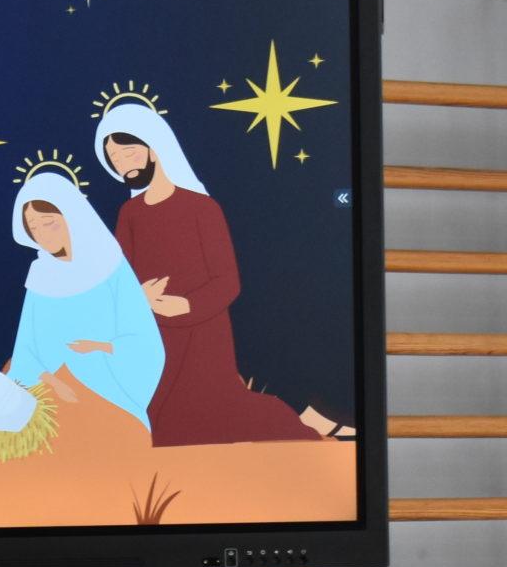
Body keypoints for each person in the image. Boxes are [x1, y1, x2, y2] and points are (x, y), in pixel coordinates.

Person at [95, 101, 346, 443]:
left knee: (206, 417)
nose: (122, 164)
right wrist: (139, 297)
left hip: (203, 336)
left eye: (128, 153)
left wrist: (185, 306)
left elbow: (227, 282)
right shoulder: (130, 214)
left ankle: (304, 432)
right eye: (114, 159)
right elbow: (120, 277)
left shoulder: (202, 208)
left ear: (153, 147)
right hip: (153, 334)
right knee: (154, 424)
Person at [4, 166, 165, 432]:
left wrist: (100, 347)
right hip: (50, 396)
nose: (42, 234)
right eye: (33, 228)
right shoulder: (40, 276)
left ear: (71, 216)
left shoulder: (110, 264)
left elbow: (143, 339)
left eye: (49, 223)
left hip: (111, 391)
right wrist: (53, 383)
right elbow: (26, 350)